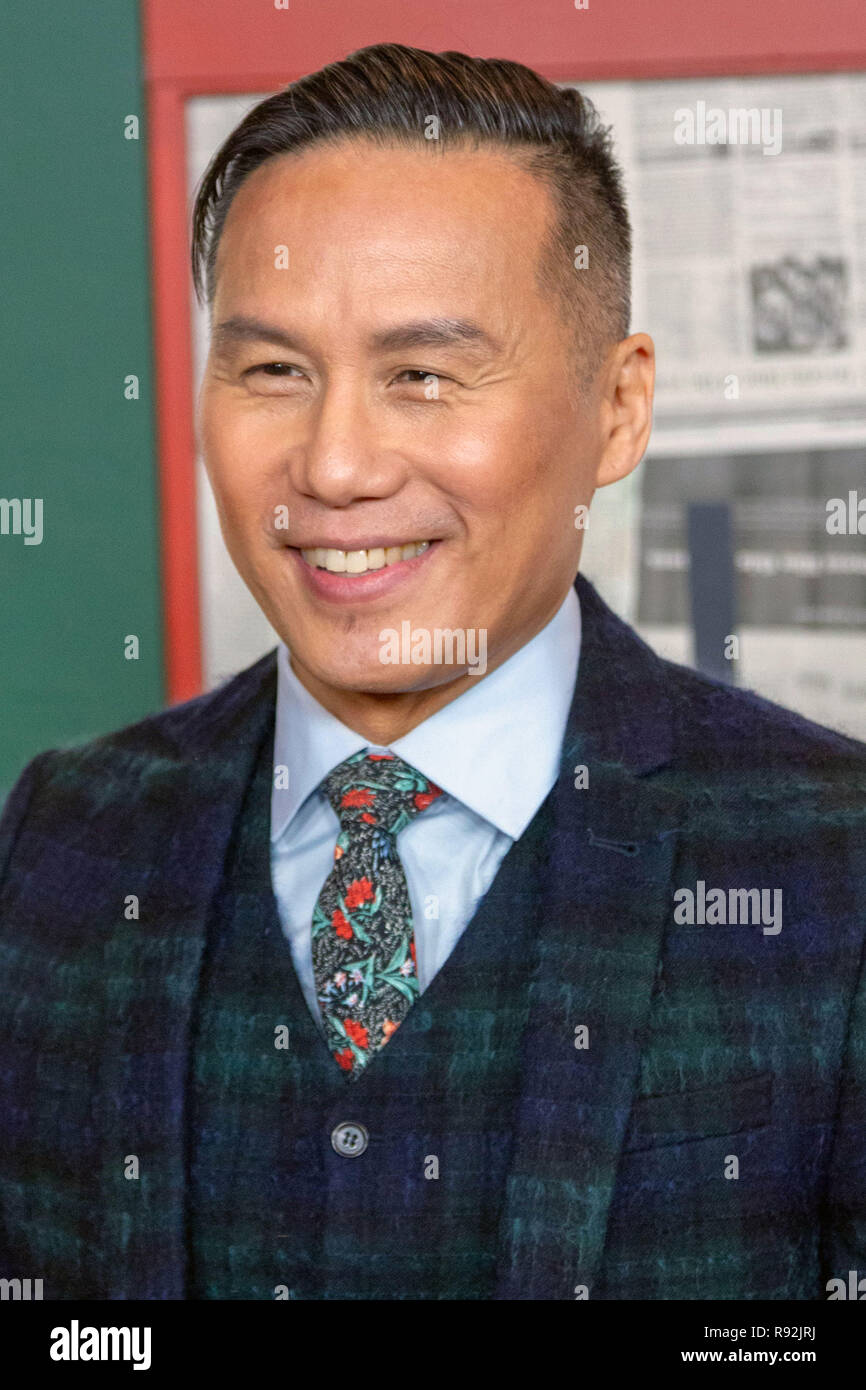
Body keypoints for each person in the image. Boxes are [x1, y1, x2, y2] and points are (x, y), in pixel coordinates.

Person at [1, 43, 864, 1302]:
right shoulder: (63, 841)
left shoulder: (832, 860)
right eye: (273, 371)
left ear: (616, 410)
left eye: (422, 375)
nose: (335, 465)